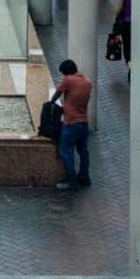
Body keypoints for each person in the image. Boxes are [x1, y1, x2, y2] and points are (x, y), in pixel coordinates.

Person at [52, 57, 92, 191]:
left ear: (65, 72)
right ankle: (85, 177)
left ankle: (71, 179)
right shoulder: (87, 82)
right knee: (83, 151)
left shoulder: (68, 80)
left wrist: (51, 102)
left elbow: (58, 93)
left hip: (71, 123)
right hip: (84, 122)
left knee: (66, 150)